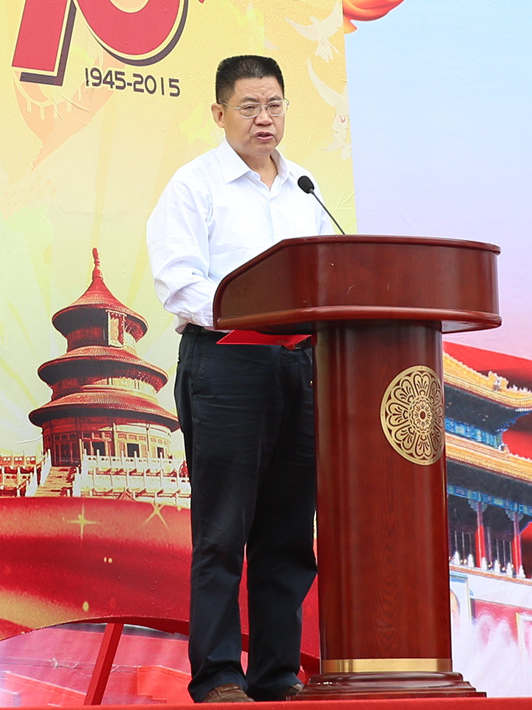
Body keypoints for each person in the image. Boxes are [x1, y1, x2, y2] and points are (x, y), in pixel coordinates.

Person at [147, 55, 334, 703]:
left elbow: (325, 276)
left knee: (289, 534)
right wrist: (253, 311)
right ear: (219, 112)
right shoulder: (195, 185)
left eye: (274, 105)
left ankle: (278, 676)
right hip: (226, 363)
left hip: (300, 367)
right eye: (250, 106)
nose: (264, 119)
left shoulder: (305, 185)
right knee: (224, 532)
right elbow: (178, 282)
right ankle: (220, 676)